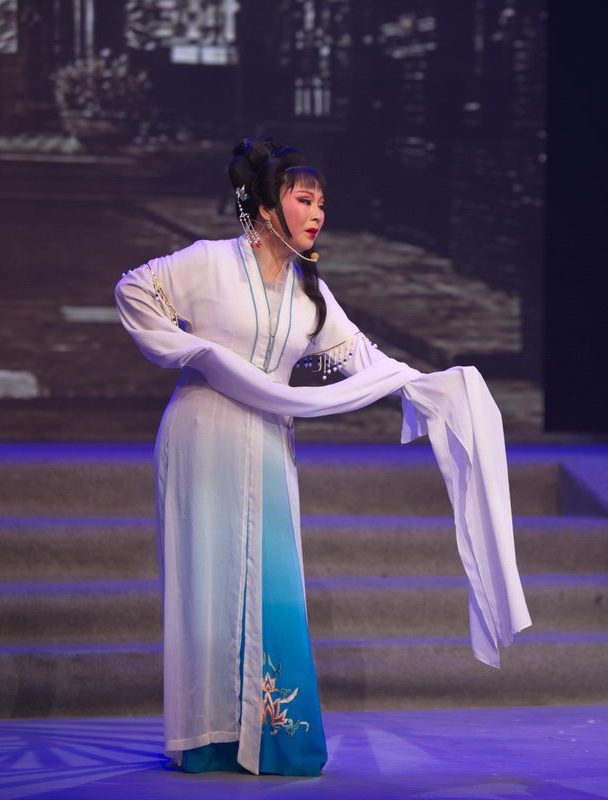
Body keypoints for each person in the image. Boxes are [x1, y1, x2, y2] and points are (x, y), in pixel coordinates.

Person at [114, 136, 531, 776]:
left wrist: (435, 388)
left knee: (274, 579)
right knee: (207, 579)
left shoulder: (310, 292)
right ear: (264, 207)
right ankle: (210, 736)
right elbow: (132, 289)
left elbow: (365, 360)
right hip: (203, 432)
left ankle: (275, 736)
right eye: (304, 199)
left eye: (321, 203)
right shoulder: (208, 261)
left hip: (267, 438)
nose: (317, 214)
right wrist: (197, 352)